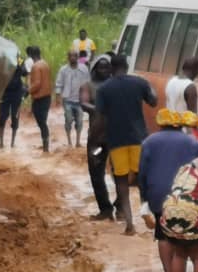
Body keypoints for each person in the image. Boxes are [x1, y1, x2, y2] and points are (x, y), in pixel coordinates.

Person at [93, 53, 158, 234]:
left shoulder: (104, 89)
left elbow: (99, 120)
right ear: (127, 66)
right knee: (142, 179)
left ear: (112, 69)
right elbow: (153, 101)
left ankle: (129, 224)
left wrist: (96, 142)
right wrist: (151, 88)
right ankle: (146, 210)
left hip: (116, 141)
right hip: (139, 139)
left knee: (121, 182)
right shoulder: (139, 83)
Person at [138, 109, 198, 272]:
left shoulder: (149, 142)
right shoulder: (193, 142)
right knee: (185, 234)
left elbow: (142, 173)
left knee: (163, 234)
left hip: (159, 195)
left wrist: (144, 198)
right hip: (186, 194)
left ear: (160, 123)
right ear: (180, 124)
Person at [80, 54, 114, 220]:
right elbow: (83, 103)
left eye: (107, 67)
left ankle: (121, 206)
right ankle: (105, 208)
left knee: (120, 171)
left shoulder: (116, 85)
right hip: (97, 137)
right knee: (96, 172)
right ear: (94, 69)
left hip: (116, 136)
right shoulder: (88, 85)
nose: (104, 70)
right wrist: (99, 109)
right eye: (101, 67)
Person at [55, 51, 90, 148]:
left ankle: (78, 142)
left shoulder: (84, 69)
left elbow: (88, 83)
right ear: (68, 57)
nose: (73, 58)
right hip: (68, 100)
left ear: (78, 57)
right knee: (68, 120)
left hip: (79, 101)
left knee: (79, 121)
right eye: (71, 56)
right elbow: (59, 83)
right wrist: (58, 96)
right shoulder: (63, 70)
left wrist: (88, 97)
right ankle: (69, 141)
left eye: (75, 56)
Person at [27, 46, 52, 152]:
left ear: (30, 55)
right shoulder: (45, 64)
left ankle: (46, 146)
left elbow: (37, 83)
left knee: (41, 122)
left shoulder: (35, 67)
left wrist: (27, 91)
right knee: (43, 122)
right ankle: (45, 144)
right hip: (47, 97)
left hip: (39, 98)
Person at [0, 55, 25, 149]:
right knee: (2, 117)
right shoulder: (3, 59)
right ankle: (1, 143)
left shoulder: (20, 59)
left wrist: (19, 63)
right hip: (5, 93)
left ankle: (12, 143)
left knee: (15, 117)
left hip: (17, 93)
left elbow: (25, 72)